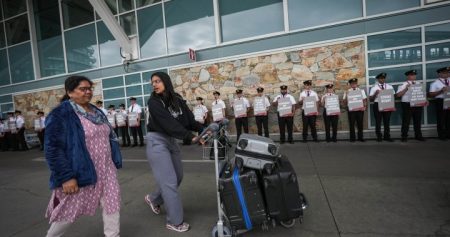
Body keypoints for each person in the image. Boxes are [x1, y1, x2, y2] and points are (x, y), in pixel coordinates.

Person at [44, 75, 122, 237]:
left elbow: (109, 138)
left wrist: (114, 160)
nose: (88, 92)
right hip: (81, 172)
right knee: (69, 211)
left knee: (112, 204)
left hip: (107, 169)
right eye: (82, 89)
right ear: (70, 92)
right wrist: (66, 177)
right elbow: (53, 149)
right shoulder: (61, 114)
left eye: (89, 88)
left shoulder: (97, 111)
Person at [144, 71, 202, 233]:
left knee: (178, 176)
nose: (154, 84)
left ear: (166, 82)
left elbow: (188, 120)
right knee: (169, 182)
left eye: (158, 81)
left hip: (171, 140)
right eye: (153, 82)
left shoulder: (176, 99)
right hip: (157, 141)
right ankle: (174, 222)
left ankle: (153, 199)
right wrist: (188, 136)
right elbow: (168, 122)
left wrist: (203, 129)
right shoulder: (153, 102)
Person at [396, 69, 425, 142]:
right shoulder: (403, 85)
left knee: (417, 121)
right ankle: (404, 136)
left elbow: (422, 93)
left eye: (414, 75)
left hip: (417, 104)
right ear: (408, 76)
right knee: (406, 121)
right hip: (407, 104)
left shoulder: (419, 83)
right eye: (412, 75)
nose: (413, 76)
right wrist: (406, 89)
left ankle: (418, 136)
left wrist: (426, 100)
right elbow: (398, 95)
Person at [369, 73, 394, 142]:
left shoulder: (389, 87)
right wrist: (375, 94)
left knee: (387, 121)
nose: (382, 79)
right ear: (378, 79)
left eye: (383, 78)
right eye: (380, 78)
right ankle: (379, 136)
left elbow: (393, 96)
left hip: (387, 104)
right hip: (377, 105)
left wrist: (392, 105)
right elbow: (371, 99)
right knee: (378, 121)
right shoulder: (374, 87)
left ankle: (387, 136)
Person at [343, 78, 367, 142]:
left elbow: (364, 99)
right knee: (351, 124)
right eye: (352, 84)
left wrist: (365, 106)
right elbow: (344, 102)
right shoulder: (347, 91)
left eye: (355, 83)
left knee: (360, 124)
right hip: (351, 110)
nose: (354, 85)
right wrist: (347, 95)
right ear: (350, 84)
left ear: (357, 84)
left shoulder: (361, 91)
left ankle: (360, 137)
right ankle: (352, 138)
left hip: (359, 110)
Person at [429, 67, 449, 140]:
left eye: (448, 72)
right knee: (441, 119)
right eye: (444, 72)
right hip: (441, 101)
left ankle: (448, 134)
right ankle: (442, 135)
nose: (447, 74)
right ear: (439, 74)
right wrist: (441, 91)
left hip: (449, 100)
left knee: (448, 119)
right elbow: (431, 94)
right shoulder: (435, 83)